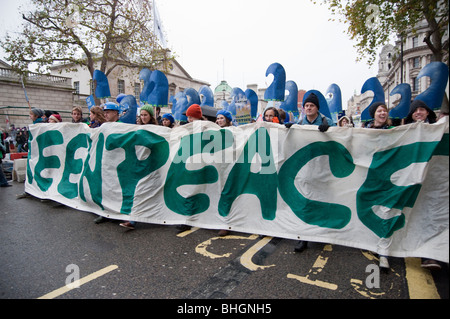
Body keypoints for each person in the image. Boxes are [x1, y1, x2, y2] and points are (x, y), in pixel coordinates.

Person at [293, 93, 334, 253]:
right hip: (306, 169)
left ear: (317, 108)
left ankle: (322, 234)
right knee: (306, 201)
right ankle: (304, 237)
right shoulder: (299, 123)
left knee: (322, 200)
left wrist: (330, 131)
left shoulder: (327, 122)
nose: (308, 108)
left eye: (311, 105)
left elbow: (338, 140)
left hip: (323, 169)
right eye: (306, 106)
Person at [404, 99, 441, 271]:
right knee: (412, 215)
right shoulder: (404, 131)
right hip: (409, 181)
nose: (418, 112)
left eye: (422, 109)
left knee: (430, 216)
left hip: (432, 182)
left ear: (427, 112)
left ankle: (430, 255)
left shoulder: (439, 129)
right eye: (415, 110)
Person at [119, 104, 158, 230]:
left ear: (151, 116)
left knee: (151, 192)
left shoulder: (157, 129)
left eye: (145, 115)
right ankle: (133, 219)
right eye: (141, 115)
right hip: (140, 166)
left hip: (154, 166)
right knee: (138, 191)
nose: (143, 117)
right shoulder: (137, 128)